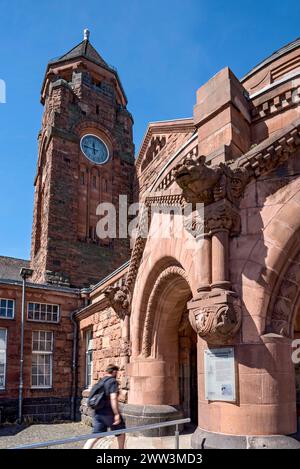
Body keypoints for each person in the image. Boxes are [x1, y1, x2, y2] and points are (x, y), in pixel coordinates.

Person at [83, 364, 126, 449]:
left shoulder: (100, 381)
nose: (117, 374)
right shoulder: (112, 381)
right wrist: (116, 414)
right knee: (121, 432)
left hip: (98, 413)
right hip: (109, 414)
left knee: (95, 436)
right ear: (114, 372)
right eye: (116, 372)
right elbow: (113, 398)